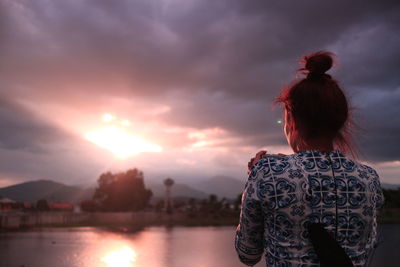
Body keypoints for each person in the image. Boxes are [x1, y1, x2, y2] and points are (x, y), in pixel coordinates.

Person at [235, 51, 384, 266]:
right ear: (341, 120)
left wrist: (258, 179)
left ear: (290, 119)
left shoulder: (268, 171)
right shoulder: (369, 178)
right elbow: (369, 244)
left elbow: (247, 254)